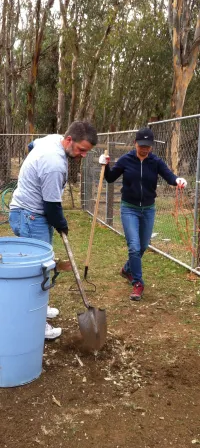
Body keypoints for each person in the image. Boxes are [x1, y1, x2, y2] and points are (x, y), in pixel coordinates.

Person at [9, 121, 98, 339]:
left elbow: (31, 146)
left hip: (29, 213)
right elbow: (52, 207)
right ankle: (36, 323)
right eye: (81, 150)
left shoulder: (51, 140)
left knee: (44, 267)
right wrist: (62, 225)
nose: (83, 155)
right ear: (69, 140)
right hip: (31, 216)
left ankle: (40, 307)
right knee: (37, 272)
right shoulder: (54, 164)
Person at [99, 126, 187, 302]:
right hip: (129, 208)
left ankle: (127, 269)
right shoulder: (126, 160)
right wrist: (105, 165)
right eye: (141, 145)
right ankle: (138, 283)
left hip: (148, 209)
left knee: (143, 245)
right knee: (133, 245)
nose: (144, 148)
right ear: (135, 143)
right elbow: (109, 178)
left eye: (148, 145)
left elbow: (169, 176)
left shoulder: (155, 162)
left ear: (151, 146)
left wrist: (177, 180)